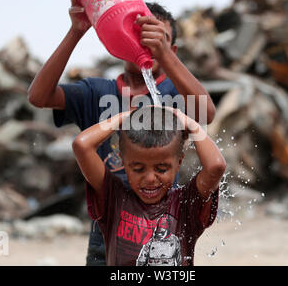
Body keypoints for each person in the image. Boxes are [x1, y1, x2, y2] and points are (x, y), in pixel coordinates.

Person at [27, 0, 216, 265]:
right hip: (108, 226)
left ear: (172, 50)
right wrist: (76, 31)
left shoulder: (175, 92)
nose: (148, 44)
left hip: (165, 226)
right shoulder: (96, 91)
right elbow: (39, 96)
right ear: (120, 38)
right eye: (140, 35)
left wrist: (163, 55)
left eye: (159, 38)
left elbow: (207, 114)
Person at [72, 106, 226, 266]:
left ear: (179, 162)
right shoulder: (114, 199)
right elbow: (81, 145)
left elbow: (216, 166)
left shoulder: (185, 204)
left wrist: (191, 124)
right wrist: (124, 117)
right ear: (122, 161)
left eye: (161, 169)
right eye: (138, 169)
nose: (150, 178)